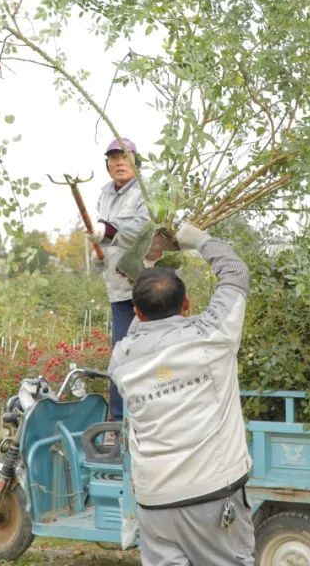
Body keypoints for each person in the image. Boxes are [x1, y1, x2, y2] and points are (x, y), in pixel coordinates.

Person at [108, 223, 255, 566]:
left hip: (155, 505)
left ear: (138, 312)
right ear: (186, 303)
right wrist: (199, 240)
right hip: (213, 500)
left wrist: (144, 272)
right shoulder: (212, 337)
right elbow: (235, 273)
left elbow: (137, 330)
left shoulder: (122, 360)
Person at [87, 137, 150, 422]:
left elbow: (142, 227)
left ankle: (144, 420)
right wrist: (99, 251)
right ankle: (118, 422)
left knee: (148, 354)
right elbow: (107, 240)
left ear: (136, 161)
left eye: (125, 156)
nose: (119, 162)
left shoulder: (148, 192)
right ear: (107, 164)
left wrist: (108, 230)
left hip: (148, 288)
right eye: (113, 157)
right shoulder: (104, 194)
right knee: (120, 355)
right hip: (119, 289)